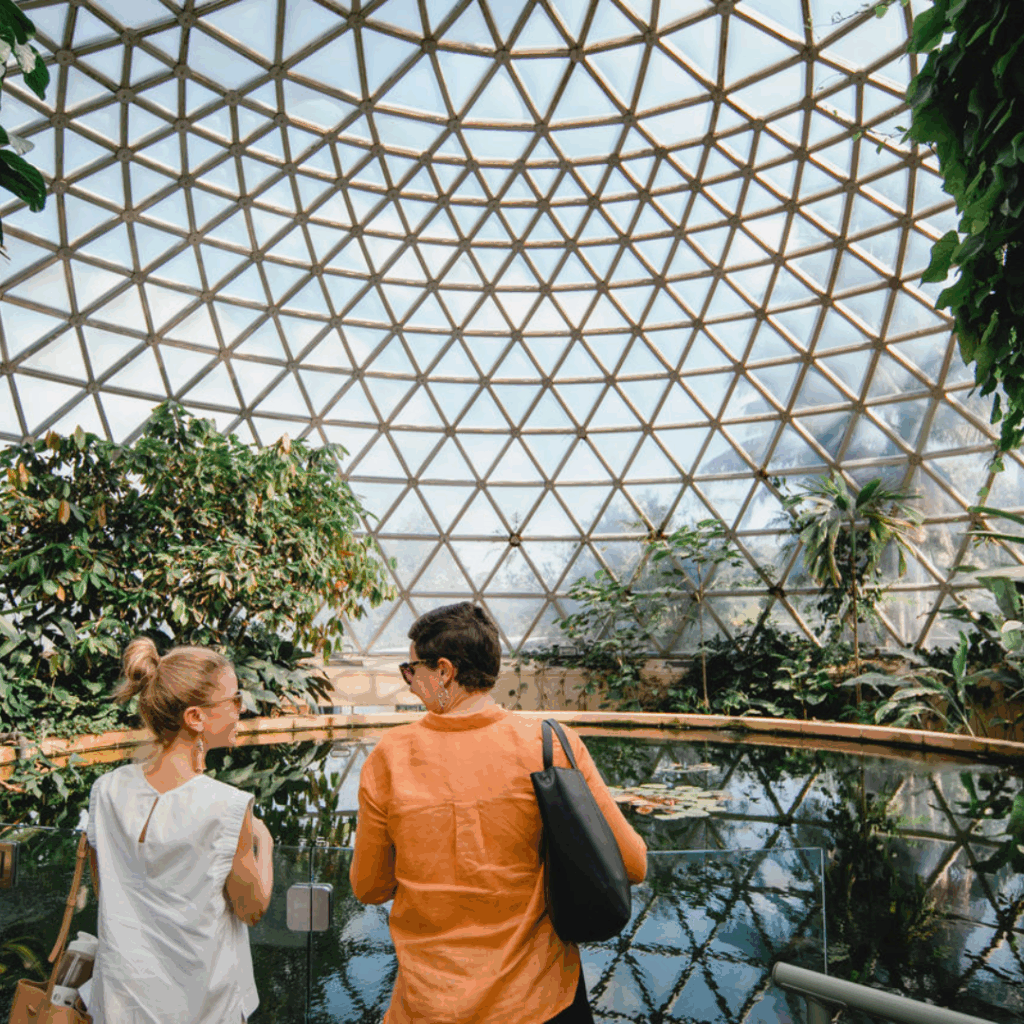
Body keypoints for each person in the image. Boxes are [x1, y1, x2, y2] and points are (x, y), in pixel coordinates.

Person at [349, 602, 648, 1024]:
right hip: (541, 1002)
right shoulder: (549, 744)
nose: (410, 683)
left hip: (428, 1005)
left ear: (444, 671)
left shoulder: (389, 756)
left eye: (411, 670)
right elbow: (633, 864)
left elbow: (369, 887)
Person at [83, 638, 274, 1024]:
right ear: (196, 717)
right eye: (234, 700)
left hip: (120, 1004)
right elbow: (251, 910)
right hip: (202, 1008)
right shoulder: (227, 806)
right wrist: (264, 843)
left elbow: (107, 892)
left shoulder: (106, 789)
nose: (242, 708)